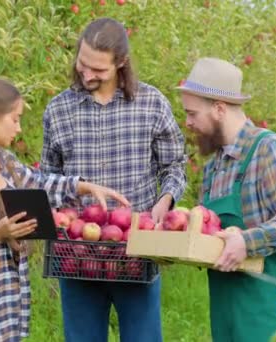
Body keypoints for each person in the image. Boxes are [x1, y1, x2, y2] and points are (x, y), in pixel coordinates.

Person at [0, 77, 130, 341]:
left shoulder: (4, 161)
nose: (19, 128)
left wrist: (85, 187)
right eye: (15, 119)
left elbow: (40, 184)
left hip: (8, 309)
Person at [40, 18, 187, 342]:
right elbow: (46, 178)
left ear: (121, 63)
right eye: (82, 64)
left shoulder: (151, 104)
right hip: (76, 255)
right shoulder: (58, 110)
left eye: (99, 70)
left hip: (136, 253)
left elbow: (174, 164)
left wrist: (166, 200)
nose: (87, 74)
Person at [176, 57, 276, 341]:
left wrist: (247, 241)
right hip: (228, 310)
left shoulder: (271, 150)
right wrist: (180, 242)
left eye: (192, 114)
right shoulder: (214, 166)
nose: (188, 122)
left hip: (273, 310)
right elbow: (214, 233)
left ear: (219, 109)